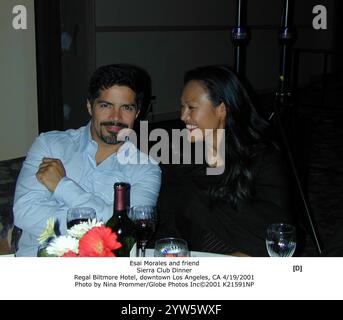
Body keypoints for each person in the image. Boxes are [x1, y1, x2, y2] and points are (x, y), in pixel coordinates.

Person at [14, 64, 161, 256]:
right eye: (106, 105)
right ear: (90, 106)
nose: (116, 118)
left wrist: (62, 186)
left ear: (137, 112)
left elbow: (128, 235)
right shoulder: (49, 145)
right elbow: (25, 213)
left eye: (126, 107)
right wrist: (106, 221)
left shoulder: (146, 169)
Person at [156, 65, 293, 257]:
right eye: (182, 106)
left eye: (191, 108)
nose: (182, 116)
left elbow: (276, 229)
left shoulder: (261, 159)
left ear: (221, 109)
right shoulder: (180, 157)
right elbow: (169, 223)